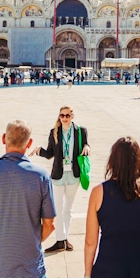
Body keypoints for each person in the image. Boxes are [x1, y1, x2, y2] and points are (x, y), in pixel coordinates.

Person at [0, 120, 55, 278]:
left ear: (3, 139)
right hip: (30, 268)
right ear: (29, 143)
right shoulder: (41, 176)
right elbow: (49, 225)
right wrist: (30, 243)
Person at [84, 137, 140, 277]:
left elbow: (90, 241)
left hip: (107, 267)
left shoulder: (99, 192)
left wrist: (87, 273)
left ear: (113, 161)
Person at [31, 106, 90, 253]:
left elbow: (86, 145)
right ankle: (60, 240)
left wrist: (88, 147)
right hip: (58, 174)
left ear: (72, 116)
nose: (64, 118)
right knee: (57, 209)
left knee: (67, 209)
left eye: (67, 115)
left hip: (74, 174)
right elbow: (50, 153)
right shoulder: (54, 132)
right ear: (59, 117)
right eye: (62, 115)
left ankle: (64, 239)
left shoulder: (81, 131)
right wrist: (39, 150)